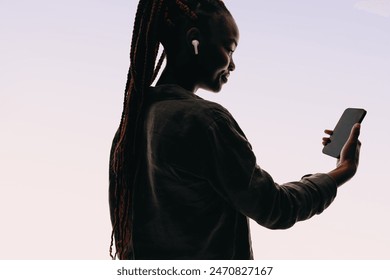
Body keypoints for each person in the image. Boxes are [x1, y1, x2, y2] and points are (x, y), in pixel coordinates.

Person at [109, 0, 361, 260]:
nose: (232, 65)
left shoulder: (131, 124)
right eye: (229, 49)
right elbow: (276, 207)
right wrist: (343, 170)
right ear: (195, 41)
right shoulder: (206, 121)